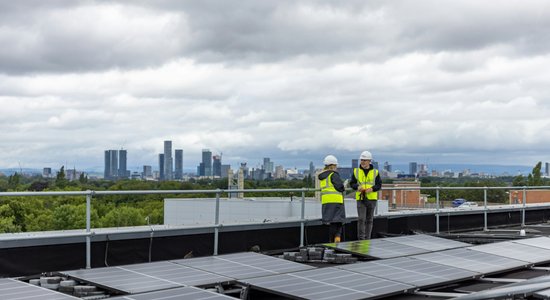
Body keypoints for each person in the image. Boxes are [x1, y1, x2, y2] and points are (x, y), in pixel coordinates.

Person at [350, 150, 382, 240]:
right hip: (361, 198)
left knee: (369, 220)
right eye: (361, 160)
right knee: (361, 219)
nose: (362, 162)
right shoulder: (356, 171)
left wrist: (372, 189)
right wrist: (357, 187)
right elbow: (352, 183)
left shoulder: (375, 172)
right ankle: (361, 239)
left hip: (371, 198)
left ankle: (367, 239)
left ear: (369, 161)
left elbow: (379, 185)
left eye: (364, 160)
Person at [318, 155, 346, 243]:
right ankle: (337, 238)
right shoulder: (333, 175)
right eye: (336, 166)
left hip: (326, 202)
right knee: (338, 221)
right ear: (332, 166)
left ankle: (331, 242)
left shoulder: (322, 176)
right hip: (336, 201)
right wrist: (344, 186)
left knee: (331, 222)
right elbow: (340, 187)